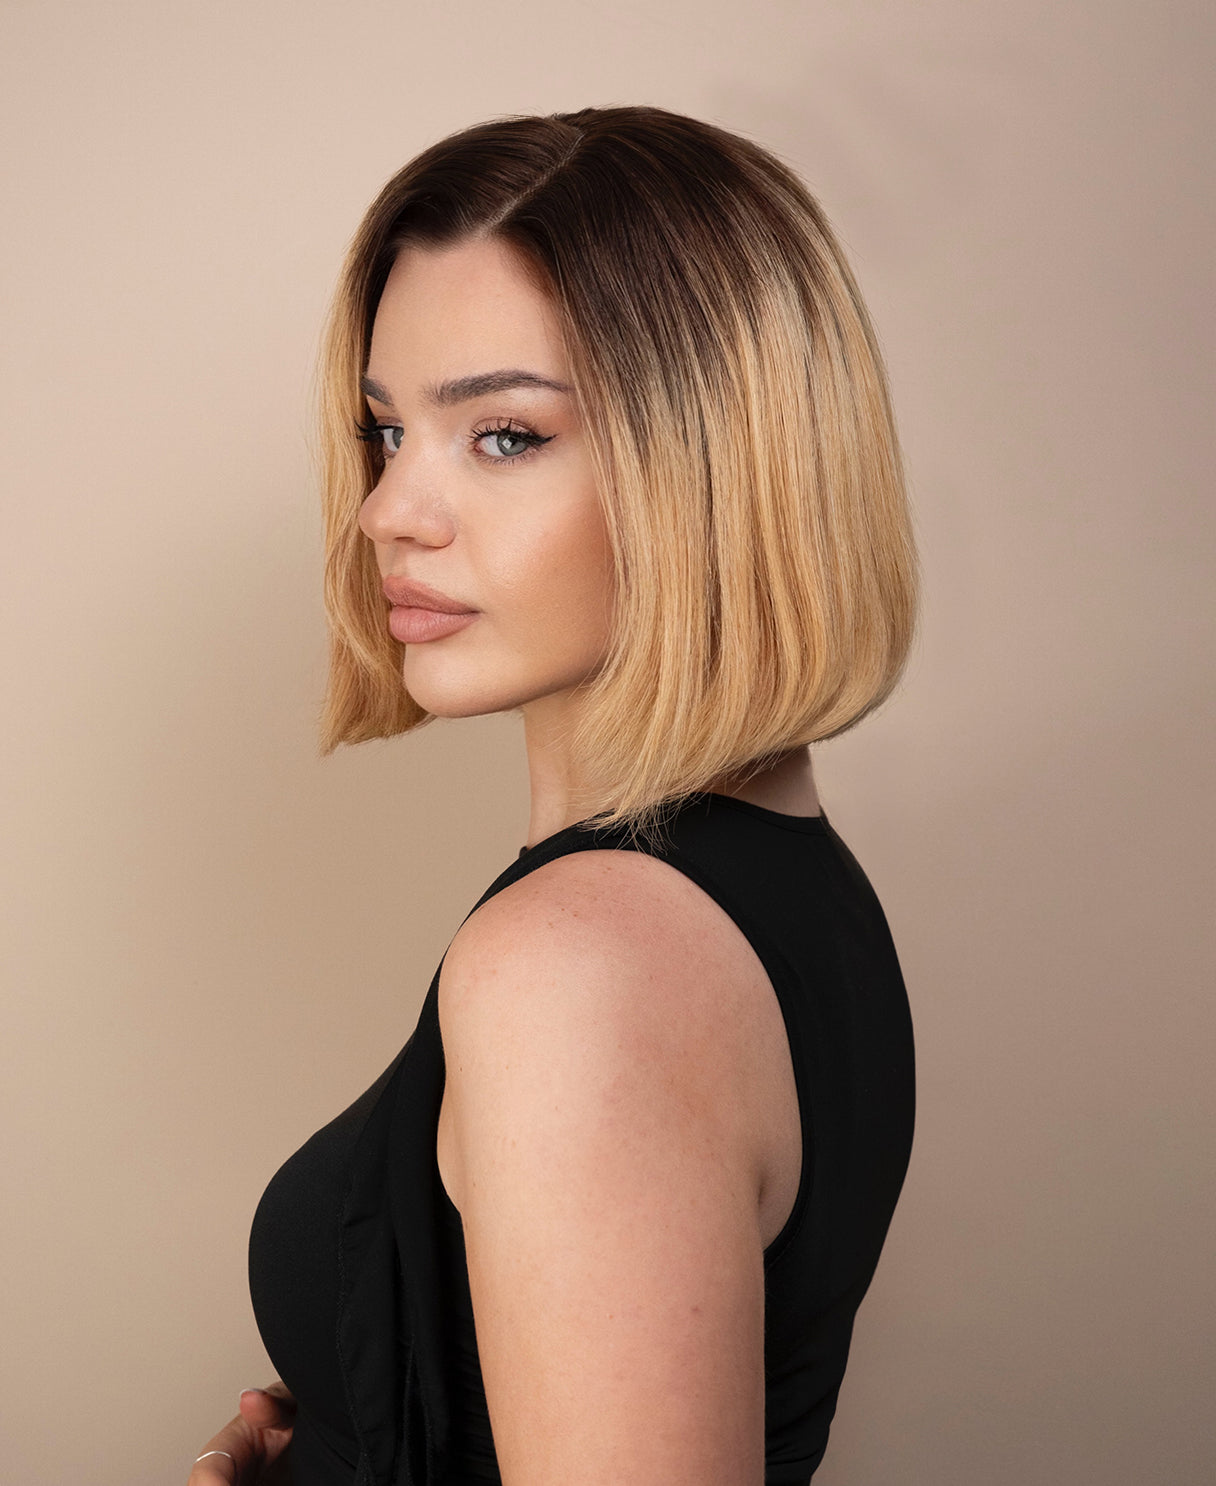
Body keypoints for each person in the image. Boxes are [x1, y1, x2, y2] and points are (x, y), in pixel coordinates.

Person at [188, 104, 919, 1486]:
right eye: (384, 429)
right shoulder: (775, 885)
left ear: (716, 463)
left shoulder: (581, 967)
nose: (390, 509)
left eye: (506, 436)